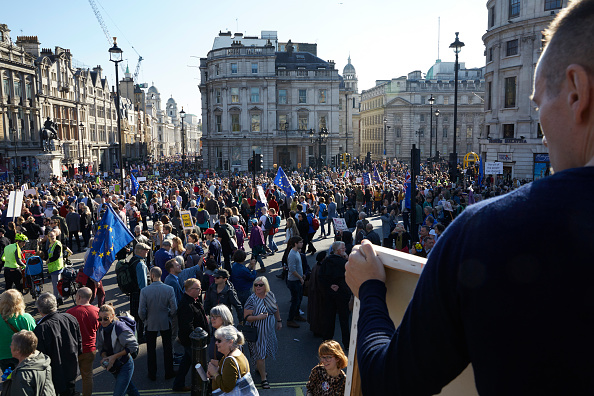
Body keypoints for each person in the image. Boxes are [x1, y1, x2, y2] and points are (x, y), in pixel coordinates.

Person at [345, 3, 594, 394]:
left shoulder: (486, 232)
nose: (541, 125)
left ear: (578, 93)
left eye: (540, 100)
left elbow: (389, 381)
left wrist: (371, 291)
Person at [33, 293, 82, 396]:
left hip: (53, 372)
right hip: (71, 367)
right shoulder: (70, 318)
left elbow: (40, 355)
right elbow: (79, 342)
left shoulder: (41, 328)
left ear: (39, 310)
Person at [139, 266, 177, 381]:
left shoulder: (145, 291)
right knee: (168, 348)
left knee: (151, 350)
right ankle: (169, 372)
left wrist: (145, 320)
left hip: (150, 322)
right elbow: (174, 308)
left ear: (152, 275)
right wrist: (169, 315)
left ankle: (152, 374)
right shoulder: (169, 289)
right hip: (165, 320)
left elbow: (141, 311)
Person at [243, 276, 282, 389]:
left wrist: (279, 321)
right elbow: (246, 317)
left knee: (266, 351)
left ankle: (259, 368)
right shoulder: (252, 299)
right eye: (256, 285)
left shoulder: (270, 295)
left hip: (269, 331)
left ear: (266, 286)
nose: (258, 287)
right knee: (261, 354)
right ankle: (263, 379)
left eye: (261, 285)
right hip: (258, 331)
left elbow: (275, 308)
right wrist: (258, 317)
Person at [172, 278, 208, 392]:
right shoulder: (186, 305)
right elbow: (187, 325)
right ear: (189, 289)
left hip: (191, 341)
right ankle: (204, 386)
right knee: (200, 364)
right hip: (192, 341)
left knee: (186, 362)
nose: (200, 290)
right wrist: (197, 340)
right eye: (198, 288)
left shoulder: (193, 300)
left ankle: (178, 384)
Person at [96, 304, 140, 396]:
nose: (102, 322)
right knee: (130, 389)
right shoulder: (101, 329)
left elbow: (133, 346)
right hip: (114, 366)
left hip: (125, 364)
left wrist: (114, 357)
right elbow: (100, 347)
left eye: (105, 318)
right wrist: (105, 357)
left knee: (118, 393)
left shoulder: (120, 328)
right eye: (100, 319)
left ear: (112, 316)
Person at [66, 287, 99, 396]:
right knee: (87, 376)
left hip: (73, 350)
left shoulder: (70, 313)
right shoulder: (97, 311)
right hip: (90, 349)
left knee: (70, 376)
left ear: (79, 297)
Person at [319, 241, 351, 349]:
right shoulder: (344, 263)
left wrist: (330, 286)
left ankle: (327, 341)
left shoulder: (327, 261)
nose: (345, 250)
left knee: (329, 317)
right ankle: (347, 343)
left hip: (329, 294)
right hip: (342, 294)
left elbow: (321, 277)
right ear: (338, 250)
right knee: (344, 319)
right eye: (343, 248)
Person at [207, 326, 256, 394]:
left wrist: (215, 373)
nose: (216, 343)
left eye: (219, 341)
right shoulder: (237, 353)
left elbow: (226, 387)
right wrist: (213, 372)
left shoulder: (230, 361)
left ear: (230, 342)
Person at [8, 330, 56, 396]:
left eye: (11, 345)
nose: (10, 346)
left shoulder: (22, 375)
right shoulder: (42, 361)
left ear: (18, 350)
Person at [0, 290, 36, 372]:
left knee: (9, 379)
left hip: (3, 355)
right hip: (23, 354)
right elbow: (35, 336)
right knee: (25, 378)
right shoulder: (26, 318)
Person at [126, 243, 151, 344]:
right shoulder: (140, 264)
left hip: (134, 292)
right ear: (140, 251)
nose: (148, 252)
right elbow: (143, 284)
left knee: (135, 316)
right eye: (146, 250)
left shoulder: (133, 260)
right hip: (140, 293)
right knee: (140, 316)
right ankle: (140, 336)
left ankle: (136, 334)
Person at [286, 236, 306, 328]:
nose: (302, 244)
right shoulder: (292, 255)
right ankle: (290, 320)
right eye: (300, 242)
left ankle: (297, 315)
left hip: (298, 280)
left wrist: (302, 275)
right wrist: (300, 278)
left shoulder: (297, 252)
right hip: (294, 281)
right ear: (295, 244)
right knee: (295, 300)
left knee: (299, 299)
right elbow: (292, 269)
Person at [45, 231, 65, 306]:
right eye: (51, 236)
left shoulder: (57, 244)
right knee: (58, 284)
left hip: (56, 267)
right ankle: (59, 298)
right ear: (48, 238)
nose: (52, 237)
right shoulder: (51, 245)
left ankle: (56, 300)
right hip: (54, 267)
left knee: (55, 285)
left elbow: (56, 255)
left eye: (53, 236)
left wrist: (49, 260)